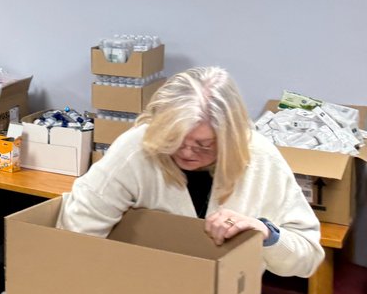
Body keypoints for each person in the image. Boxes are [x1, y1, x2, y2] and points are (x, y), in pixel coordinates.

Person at [58, 66, 322, 278]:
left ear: (231, 137)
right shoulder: (138, 148)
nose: (186, 152)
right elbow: (76, 233)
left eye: (204, 145)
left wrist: (266, 234)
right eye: (173, 139)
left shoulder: (260, 157)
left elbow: (307, 258)